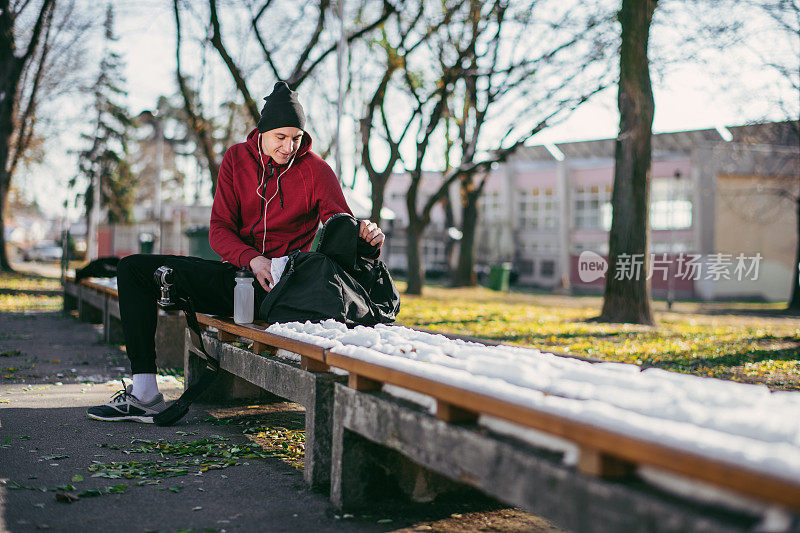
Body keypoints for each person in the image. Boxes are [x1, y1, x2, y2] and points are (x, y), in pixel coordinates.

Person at [87, 81, 384, 422]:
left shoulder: (316, 170)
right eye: (281, 137)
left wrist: (365, 234)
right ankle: (144, 394)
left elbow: (339, 227)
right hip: (239, 280)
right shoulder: (236, 159)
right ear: (263, 131)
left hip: (287, 289)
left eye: (296, 138)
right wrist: (253, 260)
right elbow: (219, 230)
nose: (289, 147)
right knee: (132, 269)